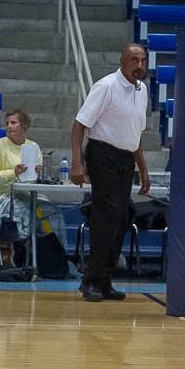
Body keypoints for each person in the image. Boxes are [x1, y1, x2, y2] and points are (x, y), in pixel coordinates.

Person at [70, 43, 151, 303]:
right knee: (108, 214)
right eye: (134, 60)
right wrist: (76, 162)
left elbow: (136, 135)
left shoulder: (143, 90)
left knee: (124, 214)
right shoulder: (105, 87)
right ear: (122, 61)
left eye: (142, 60)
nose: (139, 66)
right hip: (102, 154)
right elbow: (79, 125)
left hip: (126, 158)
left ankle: (105, 280)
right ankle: (90, 281)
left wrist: (144, 169)